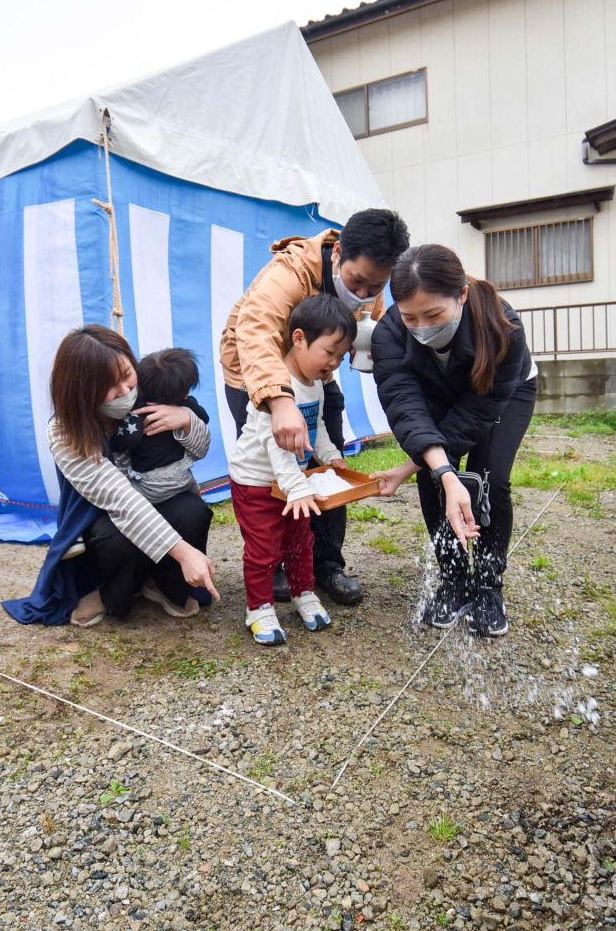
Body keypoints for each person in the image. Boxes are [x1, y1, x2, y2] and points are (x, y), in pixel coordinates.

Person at [220, 207, 409, 607]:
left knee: (329, 466)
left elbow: (368, 332)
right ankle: (270, 563)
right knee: (268, 473)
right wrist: (280, 400)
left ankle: (324, 564)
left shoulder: (368, 290)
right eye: (357, 282)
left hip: (316, 381)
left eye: (374, 287)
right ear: (337, 252)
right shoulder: (289, 273)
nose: (363, 295)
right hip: (254, 376)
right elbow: (254, 332)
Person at [370, 244, 537, 638]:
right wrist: (437, 470)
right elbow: (405, 406)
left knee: (488, 481)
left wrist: (438, 468)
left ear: (461, 294)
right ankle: (455, 579)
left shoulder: (502, 325)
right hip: (438, 394)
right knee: (433, 478)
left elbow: (477, 414)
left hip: (504, 394)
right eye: (411, 317)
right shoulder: (390, 334)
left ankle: (488, 586)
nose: (422, 327)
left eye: (433, 315)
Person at [2, 325, 218, 628]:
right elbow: (121, 500)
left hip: (157, 495)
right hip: (106, 515)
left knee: (192, 511)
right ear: (82, 390)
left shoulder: (153, 392)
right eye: (109, 385)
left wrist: (187, 421)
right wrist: (183, 553)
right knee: (116, 537)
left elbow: (200, 450)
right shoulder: (66, 432)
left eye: (128, 375)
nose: (125, 391)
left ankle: (166, 586)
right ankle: (110, 593)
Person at [229, 295, 356, 645]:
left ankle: (303, 593)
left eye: (341, 357)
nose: (333, 363)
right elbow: (276, 445)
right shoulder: (276, 385)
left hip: (293, 482)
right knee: (264, 549)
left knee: (301, 542)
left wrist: (330, 457)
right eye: (329, 352)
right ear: (298, 338)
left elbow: (317, 430)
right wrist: (296, 487)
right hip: (257, 483)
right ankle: (259, 608)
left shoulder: (316, 383)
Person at [109, 348, 210, 504]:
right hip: (184, 477)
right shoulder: (186, 404)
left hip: (150, 485)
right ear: (183, 392)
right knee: (197, 502)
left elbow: (123, 442)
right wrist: (188, 411)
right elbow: (205, 417)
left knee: (132, 499)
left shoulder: (136, 411)